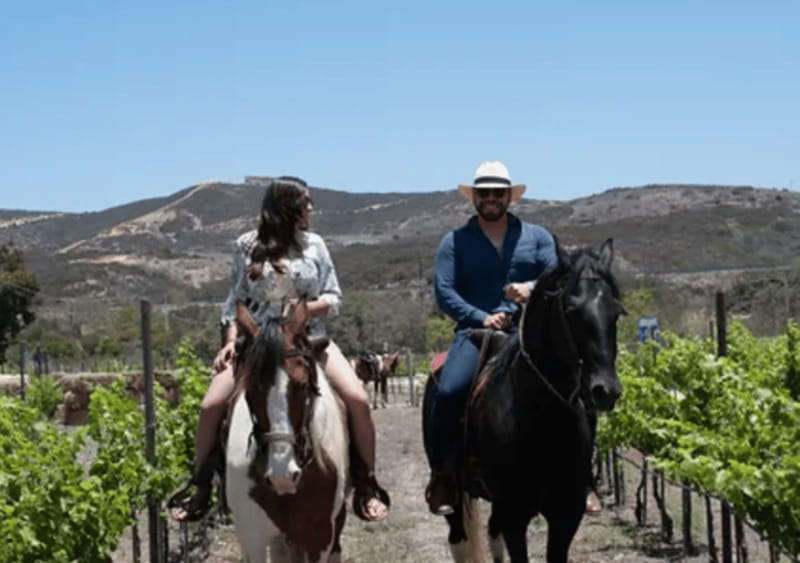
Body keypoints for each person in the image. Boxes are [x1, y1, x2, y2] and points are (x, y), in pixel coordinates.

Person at [168, 176, 390, 522]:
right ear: (287, 208)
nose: (311, 209)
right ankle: (201, 486)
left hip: (308, 341)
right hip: (256, 346)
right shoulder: (245, 245)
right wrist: (229, 343)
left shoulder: (315, 245)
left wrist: (303, 309)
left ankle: (366, 483)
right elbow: (234, 302)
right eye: (306, 202)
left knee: (358, 400)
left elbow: (334, 299)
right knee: (210, 405)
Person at [425, 161, 558, 515]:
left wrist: (529, 289)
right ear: (475, 197)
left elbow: (556, 274)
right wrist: (482, 316)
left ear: (509, 196)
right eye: (484, 193)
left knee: (573, 391)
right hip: (475, 335)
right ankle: (443, 475)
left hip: (529, 333)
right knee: (449, 390)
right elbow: (445, 292)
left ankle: (582, 477)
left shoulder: (538, 236)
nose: (491, 199)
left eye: (498, 193)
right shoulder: (453, 242)